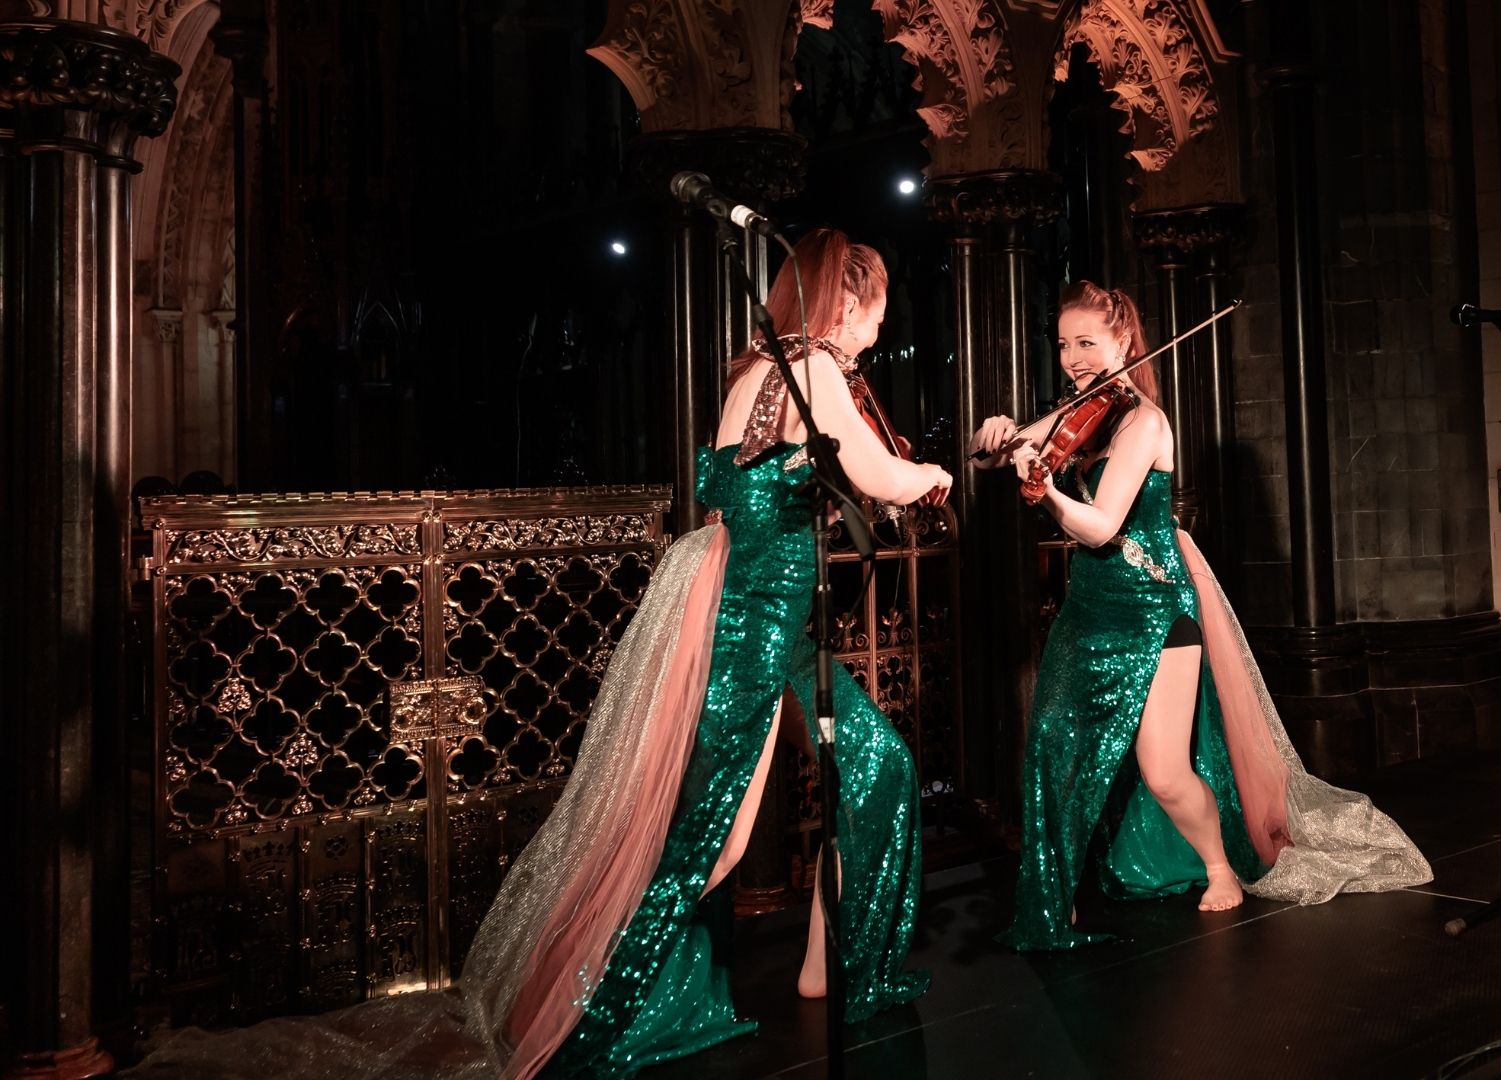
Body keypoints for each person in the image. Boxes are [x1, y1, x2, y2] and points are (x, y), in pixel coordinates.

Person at [125, 230, 949, 1079]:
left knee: (859, 773)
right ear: (847, 301)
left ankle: (828, 969)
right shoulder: (810, 369)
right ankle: (597, 1001)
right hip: (762, 630)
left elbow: (772, 489)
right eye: (875, 316)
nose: (875, 338)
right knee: (713, 840)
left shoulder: (753, 376)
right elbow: (877, 476)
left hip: (751, 621)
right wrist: (927, 478)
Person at [972, 281, 1430, 952]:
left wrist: (1044, 494)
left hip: (1157, 610)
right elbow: (991, 455)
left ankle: (1220, 866)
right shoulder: (1079, 411)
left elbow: (1099, 529)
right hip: (1092, 607)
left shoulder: (1144, 422)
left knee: (1162, 770)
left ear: (1124, 342)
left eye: (1086, 342)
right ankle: (1052, 899)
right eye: (1064, 343)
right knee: (1051, 747)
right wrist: (993, 436)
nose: (1072, 356)